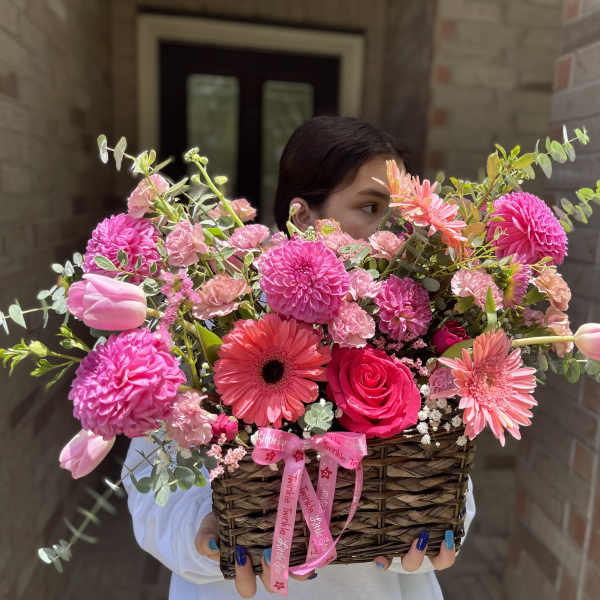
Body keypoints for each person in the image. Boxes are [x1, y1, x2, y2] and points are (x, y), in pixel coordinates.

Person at [122, 116, 476, 600]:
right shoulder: (211, 326)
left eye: (403, 215)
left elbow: (452, 475)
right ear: (303, 216)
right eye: (371, 207)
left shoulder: (424, 327)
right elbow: (150, 490)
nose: (396, 231)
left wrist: (428, 533)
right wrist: (205, 537)